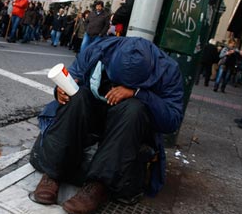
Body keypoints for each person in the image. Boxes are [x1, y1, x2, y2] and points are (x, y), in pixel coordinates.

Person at [30, 37, 184, 214]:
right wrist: (59, 91)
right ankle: (53, 173)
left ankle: (97, 186)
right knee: (76, 96)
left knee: (134, 109)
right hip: (94, 113)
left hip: (126, 124)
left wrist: (138, 93)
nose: (117, 86)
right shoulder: (98, 50)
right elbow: (73, 76)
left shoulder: (169, 71)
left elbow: (172, 120)